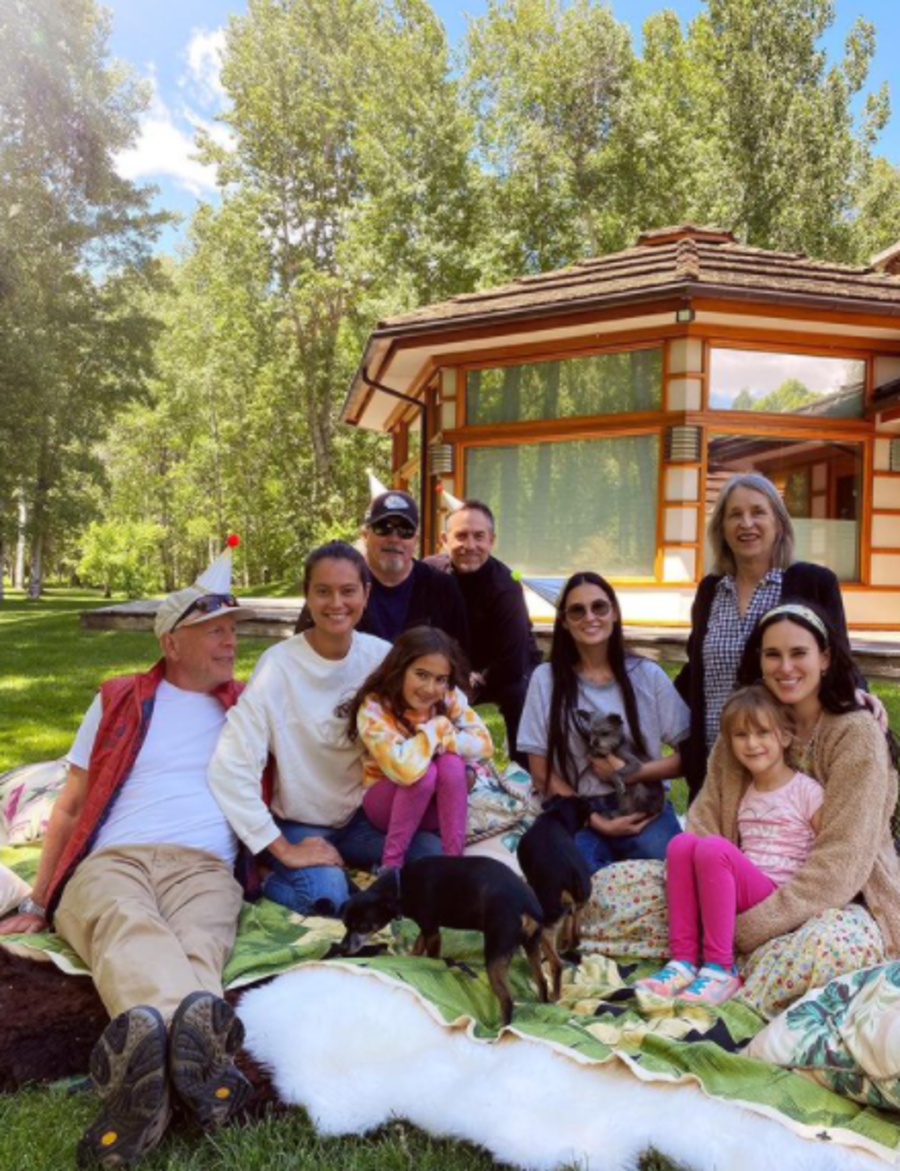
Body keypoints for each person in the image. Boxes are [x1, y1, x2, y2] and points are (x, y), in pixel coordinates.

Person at [0, 543, 257, 1168]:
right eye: (215, 632)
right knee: (128, 926)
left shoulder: (246, 706)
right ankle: (203, 1071)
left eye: (231, 631)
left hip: (204, 867)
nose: (230, 643)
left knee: (200, 940)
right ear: (171, 642)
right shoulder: (119, 699)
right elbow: (70, 802)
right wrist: (42, 895)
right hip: (114, 860)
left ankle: (148, 1083)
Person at [208, 541, 442, 919]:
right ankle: (266, 875)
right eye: (323, 591)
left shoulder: (382, 658)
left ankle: (351, 875)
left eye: (348, 590)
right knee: (330, 900)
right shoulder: (277, 668)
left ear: (366, 594)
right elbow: (229, 767)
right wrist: (283, 848)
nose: (336, 603)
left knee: (432, 858)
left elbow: (438, 703)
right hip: (301, 821)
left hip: (365, 818)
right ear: (307, 596)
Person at [688, 600, 900, 962]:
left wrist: (742, 928)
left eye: (798, 653)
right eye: (772, 654)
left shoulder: (855, 734)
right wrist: (713, 898)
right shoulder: (744, 725)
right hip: (738, 885)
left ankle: (732, 957)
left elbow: (842, 863)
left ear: (825, 658)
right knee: (619, 886)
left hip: (840, 899)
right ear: (759, 660)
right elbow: (704, 818)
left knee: (824, 951)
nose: (785, 667)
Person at [674, 472, 863, 803]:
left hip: (785, 765)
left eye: (758, 512)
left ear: (778, 522)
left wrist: (860, 695)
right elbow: (696, 671)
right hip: (716, 761)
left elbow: (837, 658)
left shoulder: (810, 581)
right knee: (709, 850)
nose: (746, 523)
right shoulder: (710, 591)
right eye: (735, 514)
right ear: (722, 528)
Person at [638, 684, 824, 1005]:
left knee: (712, 848)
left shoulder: (806, 791)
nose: (752, 743)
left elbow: (827, 848)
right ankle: (682, 962)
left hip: (778, 893)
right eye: (740, 735)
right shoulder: (744, 792)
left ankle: (720, 970)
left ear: (784, 736)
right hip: (743, 887)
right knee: (681, 844)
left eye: (763, 732)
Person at [518, 571, 689, 873]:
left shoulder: (647, 675)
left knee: (675, 882)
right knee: (580, 889)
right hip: (578, 809)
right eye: (577, 610)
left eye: (599, 607)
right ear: (563, 620)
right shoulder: (546, 680)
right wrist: (595, 820)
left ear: (615, 612)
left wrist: (630, 773)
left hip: (643, 810)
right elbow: (539, 768)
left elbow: (688, 756)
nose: (589, 617)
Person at [344, 626, 493, 870]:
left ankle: (454, 864)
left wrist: (445, 740)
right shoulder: (374, 707)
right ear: (400, 669)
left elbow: (485, 745)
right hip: (386, 808)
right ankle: (390, 867)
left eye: (440, 679)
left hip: (434, 809)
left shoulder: (447, 696)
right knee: (424, 774)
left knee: (451, 762)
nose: (430, 688)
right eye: (421, 675)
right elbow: (404, 770)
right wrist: (435, 729)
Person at [425, 499, 541, 767]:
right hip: (453, 664)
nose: (470, 546)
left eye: (479, 536)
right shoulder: (429, 573)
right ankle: (431, 766)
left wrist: (473, 682)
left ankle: (524, 773)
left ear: (492, 540)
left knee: (521, 693)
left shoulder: (506, 587)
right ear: (444, 539)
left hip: (504, 668)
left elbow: (512, 660)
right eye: (461, 536)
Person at [352, 489, 469, 648]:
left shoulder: (441, 588)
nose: (394, 538)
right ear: (366, 535)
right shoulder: (342, 582)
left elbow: (460, 656)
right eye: (383, 528)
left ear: (416, 540)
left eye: (405, 530)